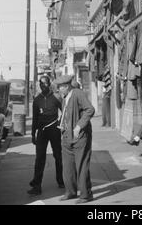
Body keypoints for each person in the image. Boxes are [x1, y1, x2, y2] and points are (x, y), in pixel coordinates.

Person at [55, 74, 95, 204]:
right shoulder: (65, 97)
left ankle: (85, 195)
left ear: (66, 86)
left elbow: (90, 109)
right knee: (68, 167)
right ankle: (70, 192)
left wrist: (78, 126)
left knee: (81, 166)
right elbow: (67, 115)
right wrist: (63, 126)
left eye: (60, 87)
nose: (59, 90)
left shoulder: (77, 93)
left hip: (80, 137)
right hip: (67, 137)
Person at [28, 75, 64, 195]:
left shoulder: (56, 97)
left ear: (49, 84)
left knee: (58, 156)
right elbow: (34, 118)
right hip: (42, 131)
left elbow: (65, 111)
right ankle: (37, 186)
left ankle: (61, 181)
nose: (43, 86)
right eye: (41, 84)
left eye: (45, 83)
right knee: (39, 158)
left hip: (54, 130)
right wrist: (33, 134)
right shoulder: (37, 100)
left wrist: (60, 123)